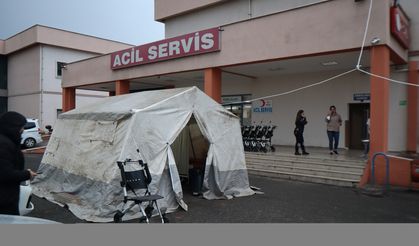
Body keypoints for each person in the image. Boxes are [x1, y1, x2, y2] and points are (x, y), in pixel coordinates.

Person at [0, 111, 37, 215]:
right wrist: (27, 174)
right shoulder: (3, 144)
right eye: (21, 127)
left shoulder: (7, 140)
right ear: (12, 127)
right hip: (4, 200)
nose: (23, 130)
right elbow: (5, 174)